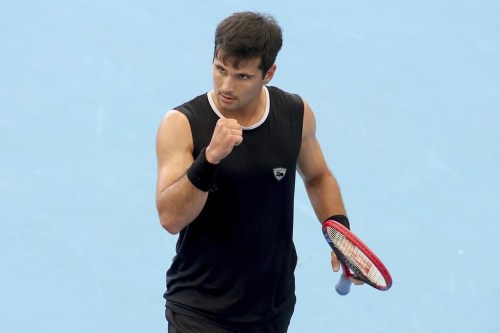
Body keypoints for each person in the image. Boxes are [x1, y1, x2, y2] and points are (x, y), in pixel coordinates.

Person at [155, 11, 358, 333]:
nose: (226, 86)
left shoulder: (295, 113)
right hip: (200, 307)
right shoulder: (182, 124)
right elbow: (171, 218)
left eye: (242, 76)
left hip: (271, 304)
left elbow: (318, 177)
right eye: (220, 70)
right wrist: (210, 158)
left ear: (269, 73)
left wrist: (340, 233)